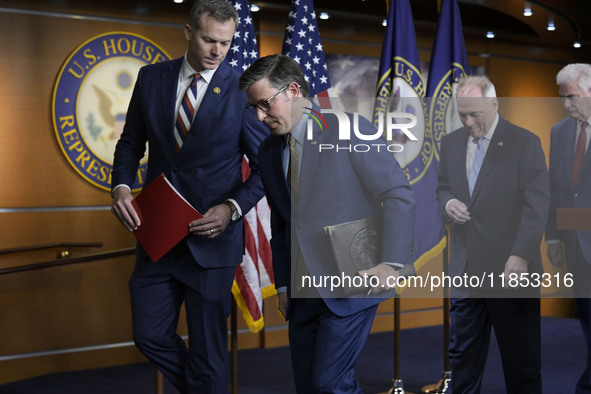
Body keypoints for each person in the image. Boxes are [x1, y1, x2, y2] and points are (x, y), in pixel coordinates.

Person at [110, 0, 267, 392]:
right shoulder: (151, 78)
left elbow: (267, 167)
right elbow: (130, 144)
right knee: (148, 334)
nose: (218, 51)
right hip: (158, 237)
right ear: (188, 32)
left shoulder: (244, 90)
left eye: (226, 43)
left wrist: (231, 209)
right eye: (209, 40)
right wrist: (121, 186)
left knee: (209, 354)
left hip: (211, 243)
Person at [238, 54, 415, 393]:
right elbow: (282, 221)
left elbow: (398, 194)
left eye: (264, 105)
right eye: (254, 108)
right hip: (303, 291)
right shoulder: (268, 151)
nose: (260, 117)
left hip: (353, 282)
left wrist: (391, 263)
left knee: (330, 386)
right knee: (308, 386)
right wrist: (285, 287)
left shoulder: (350, 129)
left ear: (292, 90)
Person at [436, 76, 549, 393]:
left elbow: (536, 205)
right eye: (463, 115)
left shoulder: (524, 142)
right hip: (466, 271)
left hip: (511, 270)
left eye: (475, 114)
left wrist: (521, 254)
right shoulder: (451, 143)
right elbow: (443, 187)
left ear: (494, 105)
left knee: (521, 364)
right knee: (463, 364)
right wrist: (448, 203)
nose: (469, 122)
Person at [545, 63, 591, 393]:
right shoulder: (560, 132)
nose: (566, 104)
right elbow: (556, 188)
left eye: (571, 97)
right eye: (562, 98)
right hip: (576, 246)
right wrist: (555, 237)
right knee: (588, 322)